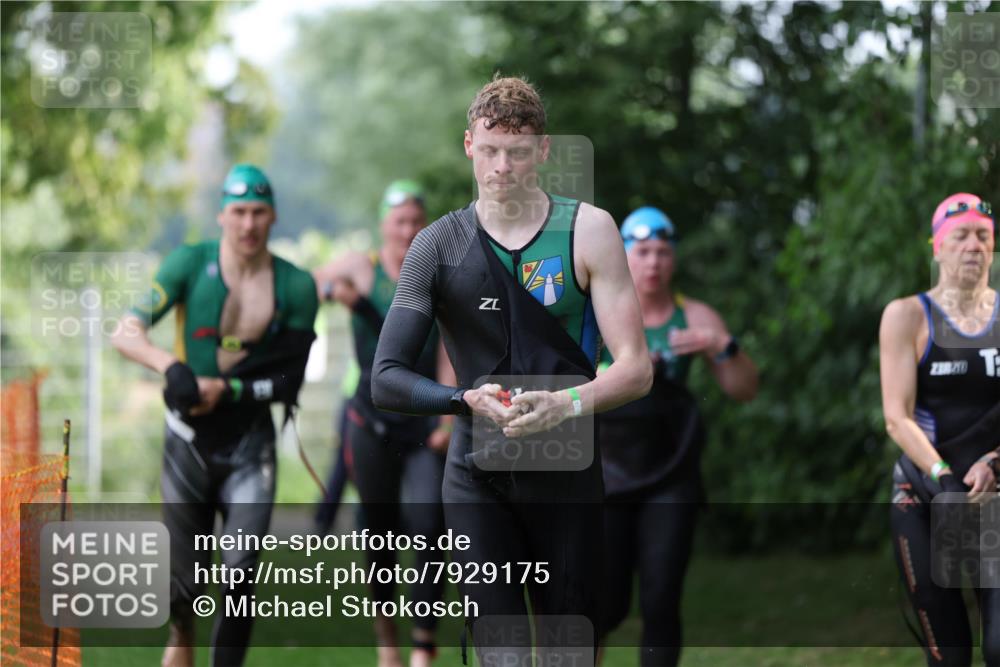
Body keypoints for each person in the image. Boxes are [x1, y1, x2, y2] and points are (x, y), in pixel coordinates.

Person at [371, 76, 652, 664]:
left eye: (519, 152)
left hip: (568, 472)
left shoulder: (588, 229)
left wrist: (566, 403)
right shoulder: (436, 246)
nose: (503, 166)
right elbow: (387, 377)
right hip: (476, 476)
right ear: (469, 145)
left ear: (543, 151)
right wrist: (460, 400)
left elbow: (636, 369)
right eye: (491, 149)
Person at [111, 164, 318, 667]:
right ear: (222, 215)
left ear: (273, 218)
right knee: (184, 585)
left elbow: (290, 376)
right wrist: (171, 366)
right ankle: (180, 637)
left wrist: (226, 389)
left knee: (241, 572)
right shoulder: (187, 264)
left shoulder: (296, 285)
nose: (248, 225)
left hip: (251, 443)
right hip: (188, 440)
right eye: (239, 212)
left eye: (259, 213)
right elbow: (125, 331)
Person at [597, 206, 758, 666]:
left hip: (669, 474)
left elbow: (744, 389)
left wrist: (721, 346)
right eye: (642, 251)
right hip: (603, 474)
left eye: (663, 252)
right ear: (621, 253)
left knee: (661, 597)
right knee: (602, 603)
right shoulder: (595, 312)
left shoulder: (695, 315)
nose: (653, 263)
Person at [312, 180, 453, 667]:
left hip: (421, 427)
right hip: (369, 423)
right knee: (380, 531)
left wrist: (448, 416)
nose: (409, 230)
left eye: (417, 221)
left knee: (431, 522)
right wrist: (336, 292)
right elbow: (308, 283)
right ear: (384, 226)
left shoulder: (439, 271)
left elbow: (449, 349)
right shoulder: (362, 267)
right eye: (400, 222)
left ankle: (423, 642)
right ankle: (387, 641)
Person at [880, 192, 1000, 666]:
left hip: (994, 494)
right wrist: (945, 478)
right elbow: (897, 416)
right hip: (926, 495)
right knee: (949, 655)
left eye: (983, 236)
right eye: (960, 235)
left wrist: (994, 461)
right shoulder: (907, 316)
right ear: (936, 246)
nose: (972, 245)